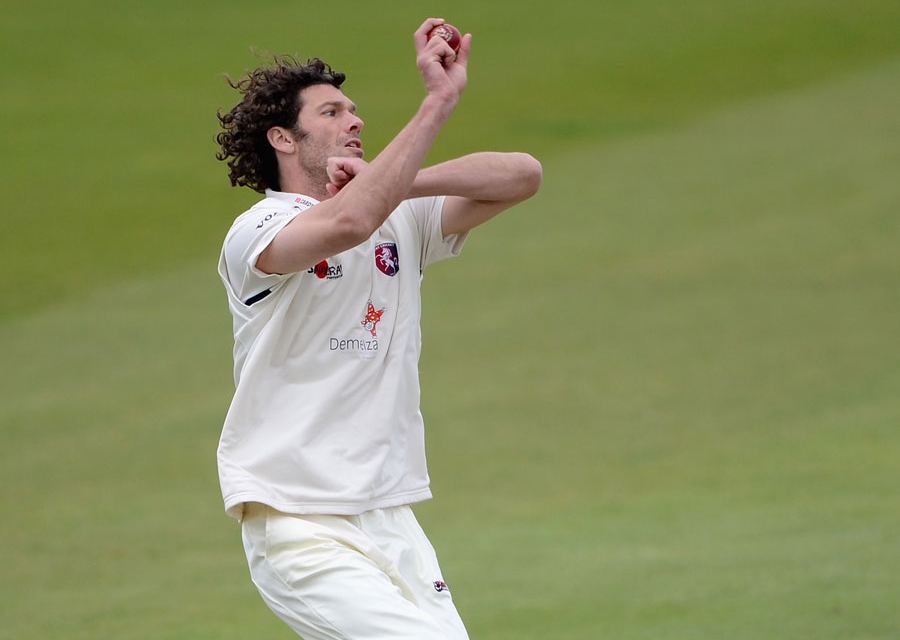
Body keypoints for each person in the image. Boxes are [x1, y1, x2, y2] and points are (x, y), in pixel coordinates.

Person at [214, 17, 541, 640]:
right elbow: (349, 224)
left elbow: (522, 175)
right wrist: (437, 103)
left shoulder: (400, 216)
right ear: (283, 139)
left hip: (390, 515)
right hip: (299, 518)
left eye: (354, 110)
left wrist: (401, 184)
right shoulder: (260, 228)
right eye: (332, 113)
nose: (355, 121)